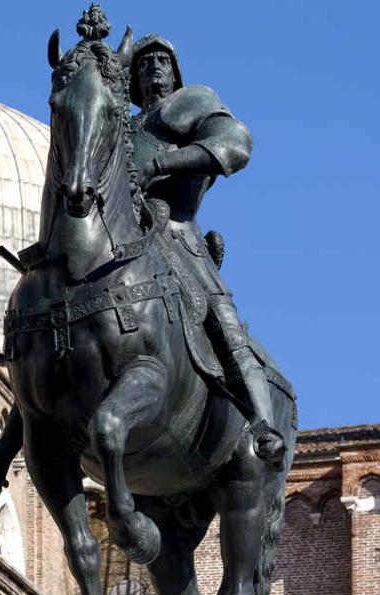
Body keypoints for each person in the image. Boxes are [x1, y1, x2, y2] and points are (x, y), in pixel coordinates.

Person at [130, 34, 284, 465]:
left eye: (161, 61)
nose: (152, 68)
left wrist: (159, 164)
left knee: (222, 321)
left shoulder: (192, 104)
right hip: (122, 235)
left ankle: (262, 422)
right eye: (143, 63)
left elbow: (234, 143)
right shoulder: (122, 126)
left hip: (176, 234)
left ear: (175, 72)